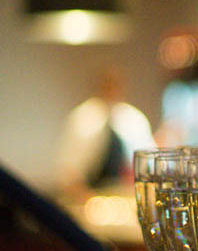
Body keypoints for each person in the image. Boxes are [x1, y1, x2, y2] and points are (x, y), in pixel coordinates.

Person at [55, 65, 154, 203]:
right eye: (107, 84)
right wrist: (88, 199)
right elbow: (68, 170)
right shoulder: (81, 118)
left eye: (115, 84)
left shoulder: (135, 119)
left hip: (127, 197)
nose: (111, 89)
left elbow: (148, 167)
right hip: (90, 195)